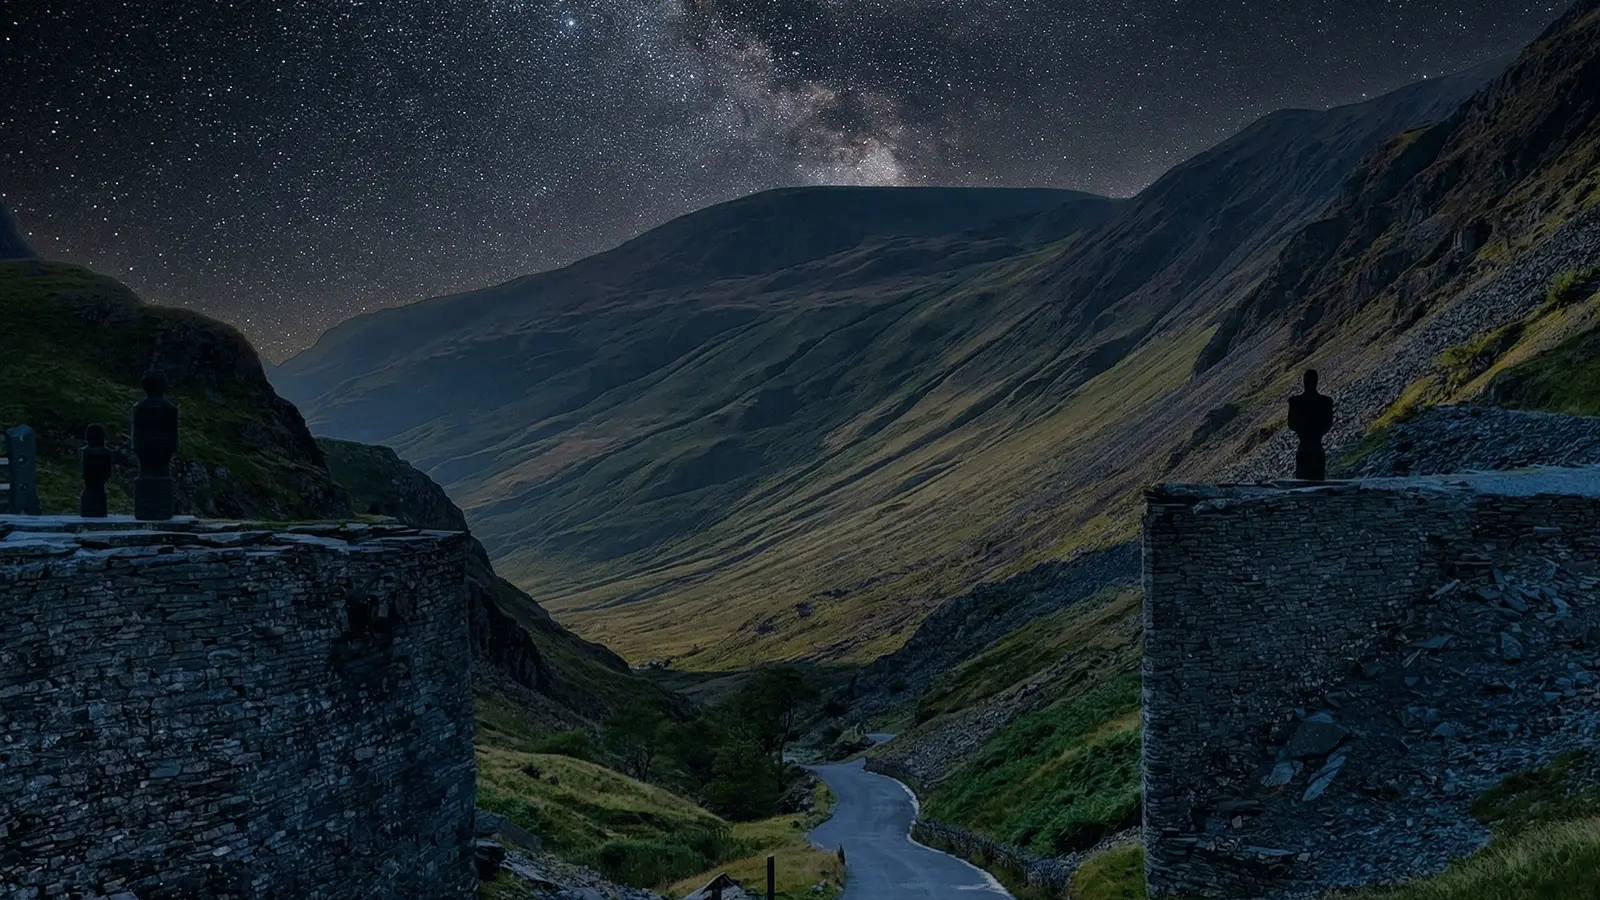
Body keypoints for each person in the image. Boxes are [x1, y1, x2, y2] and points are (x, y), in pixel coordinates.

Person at [1287, 369, 1334, 481]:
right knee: (1318, 483)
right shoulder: (1326, 402)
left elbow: (1291, 424)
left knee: (1302, 485)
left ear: (1304, 382)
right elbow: (1328, 424)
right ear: (1317, 381)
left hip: (1303, 449)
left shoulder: (1295, 401)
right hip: (1317, 448)